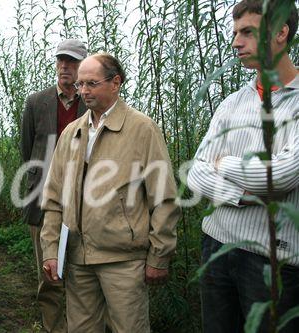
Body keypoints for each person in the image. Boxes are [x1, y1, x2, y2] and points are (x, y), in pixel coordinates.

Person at [40, 53, 180, 332]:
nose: (83, 92)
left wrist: (159, 256)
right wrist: (51, 249)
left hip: (124, 261)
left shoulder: (142, 129)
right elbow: (54, 197)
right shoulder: (72, 133)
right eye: (80, 85)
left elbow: (163, 198)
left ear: (116, 82)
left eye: (91, 84)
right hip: (78, 259)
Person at [187, 1, 299, 331]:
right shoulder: (232, 103)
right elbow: (195, 172)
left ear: (281, 32)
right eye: (235, 33)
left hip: (273, 260)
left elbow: (280, 175)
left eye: (247, 32)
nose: (236, 42)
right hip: (216, 247)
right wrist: (244, 196)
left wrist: (222, 163)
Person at [21, 39, 87, 333]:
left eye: (71, 62)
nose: (64, 67)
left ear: (83, 67)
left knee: (82, 272)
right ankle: (53, 328)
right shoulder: (37, 102)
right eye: (61, 61)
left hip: (85, 201)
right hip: (43, 201)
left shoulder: (92, 100)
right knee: (48, 272)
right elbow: (28, 151)